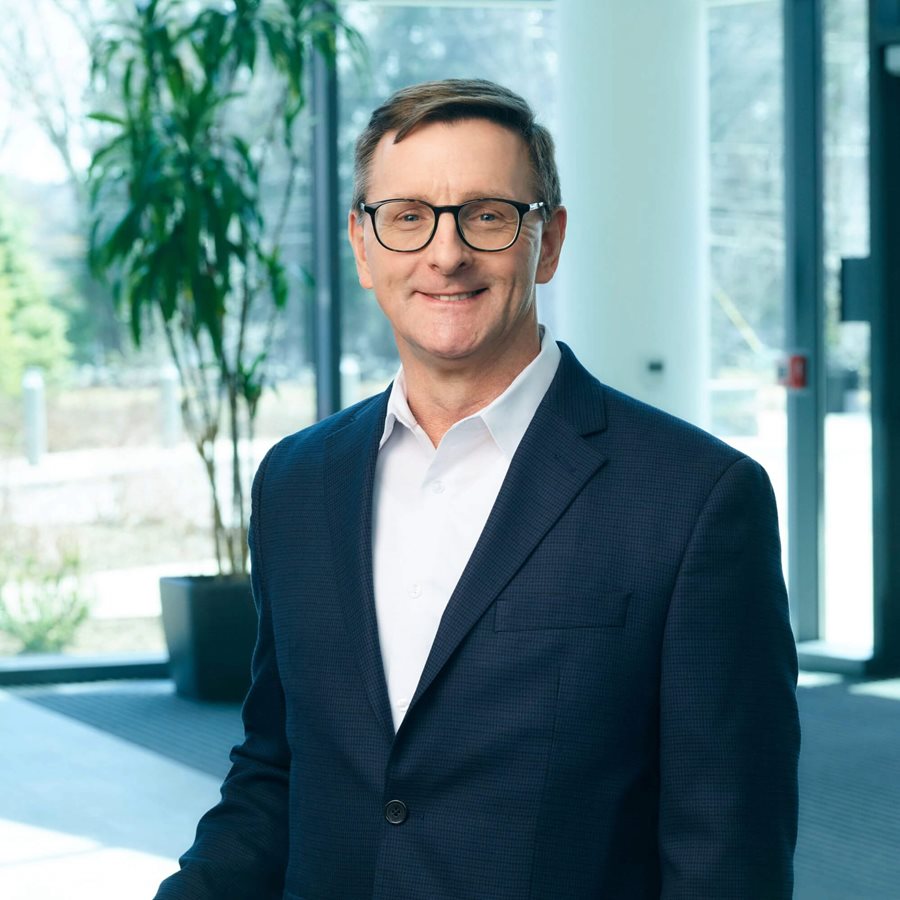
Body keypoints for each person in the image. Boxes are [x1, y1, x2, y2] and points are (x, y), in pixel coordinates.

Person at [155, 78, 799, 900]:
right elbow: (275, 774)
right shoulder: (296, 482)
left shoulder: (697, 501)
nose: (445, 253)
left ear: (549, 241)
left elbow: (726, 852)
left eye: (488, 215)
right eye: (406, 216)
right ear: (362, 244)